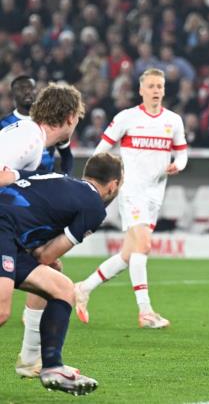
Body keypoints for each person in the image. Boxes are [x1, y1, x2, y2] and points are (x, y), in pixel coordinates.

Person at [0, 152, 123, 395]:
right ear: (113, 185)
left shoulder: (53, 177)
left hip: (11, 238)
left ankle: (52, 367)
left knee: (63, 288)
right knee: (1, 311)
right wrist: (44, 255)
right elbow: (46, 256)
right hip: (3, 229)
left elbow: (5, 177)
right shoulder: (94, 208)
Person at [74, 68, 188, 328]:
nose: (156, 90)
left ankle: (84, 288)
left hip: (155, 193)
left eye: (159, 86)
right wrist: (93, 181)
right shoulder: (126, 117)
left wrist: (178, 165)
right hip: (131, 190)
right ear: (141, 90)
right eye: (151, 86)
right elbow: (101, 151)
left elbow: (182, 153)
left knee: (128, 254)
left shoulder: (173, 121)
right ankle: (145, 311)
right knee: (144, 245)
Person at [0, 82, 84, 378]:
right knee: (1, 310)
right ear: (70, 117)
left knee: (56, 284)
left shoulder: (32, 140)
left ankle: (30, 360)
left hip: (6, 232)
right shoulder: (29, 138)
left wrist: (34, 249)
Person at [0, 75, 74, 174]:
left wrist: (66, 177)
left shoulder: (52, 120)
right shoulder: (4, 124)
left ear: (37, 91)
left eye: (30, 88)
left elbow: (66, 155)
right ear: (13, 95)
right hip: (17, 181)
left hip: (47, 180)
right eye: (21, 88)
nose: (27, 91)